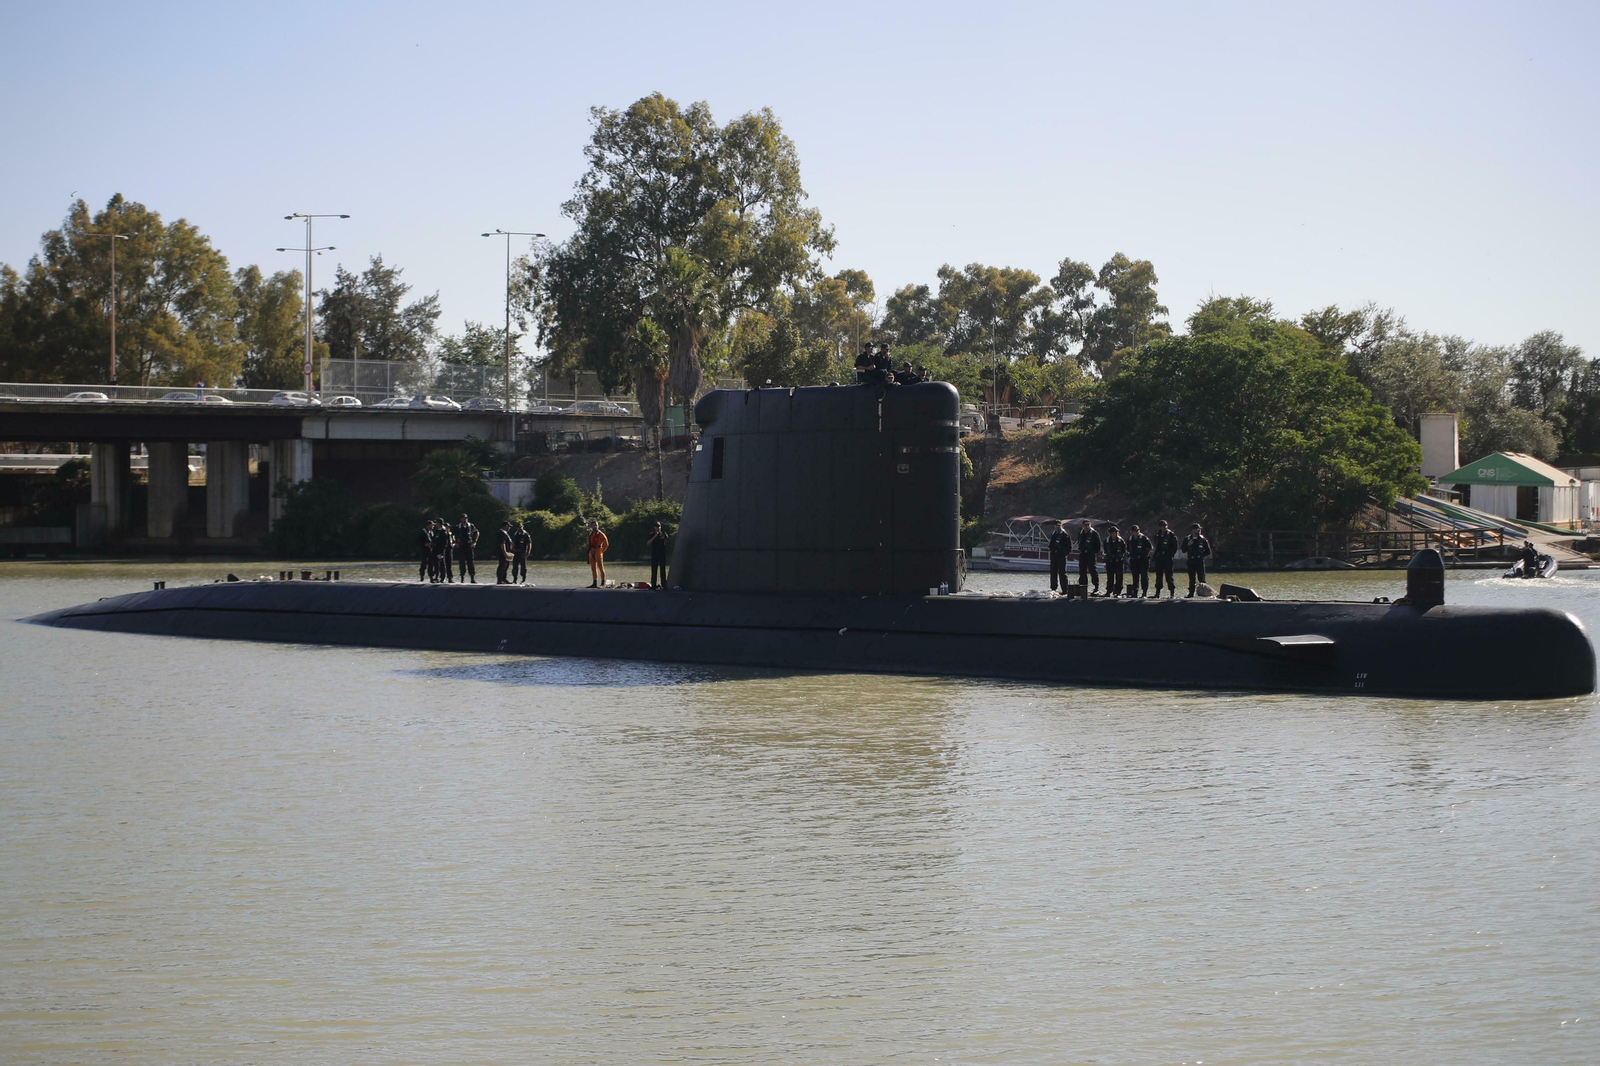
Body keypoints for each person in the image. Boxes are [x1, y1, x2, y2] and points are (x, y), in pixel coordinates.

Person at [1182, 523, 1212, 598]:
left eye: (1200, 529)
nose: (1199, 531)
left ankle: (1203, 594)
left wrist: (1201, 555)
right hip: (1191, 561)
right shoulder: (1187, 539)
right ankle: (1191, 594)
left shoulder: (1202, 539)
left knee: (1201, 579)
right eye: (1197, 529)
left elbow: (1208, 551)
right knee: (1191, 579)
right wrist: (1187, 545)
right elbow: (1183, 550)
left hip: (1199, 561)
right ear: (1193, 530)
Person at [1152, 520, 1179, 598]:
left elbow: (1175, 546)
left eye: (1165, 526)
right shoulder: (1157, 535)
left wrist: (1170, 554)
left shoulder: (1171, 535)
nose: (1164, 527)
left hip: (1167, 557)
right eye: (1163, 526)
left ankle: (1172, 593)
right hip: (1159, 557)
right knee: (1158, 575)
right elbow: (1156, 546)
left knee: (1169, 575)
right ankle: (1157, 593)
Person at [1076, 519, 1102, 595]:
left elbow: (1098, 545)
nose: (1087, 526)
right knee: (1082, 570)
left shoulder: (1094, 533)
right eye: (1085, 525)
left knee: (1092, 570)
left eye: (1088, 525)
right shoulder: (1081, 533)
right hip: (1083, 554)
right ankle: (1083, 586)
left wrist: (1093, 552)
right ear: (1083, 526)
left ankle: (1096, 587)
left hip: (1091, 554)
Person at [1127, 524, 1152, 598]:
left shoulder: (1143, 538)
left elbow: (1150, 547)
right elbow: (1128, 549)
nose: (1136, 532)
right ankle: (1135, 592)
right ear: (1132, 532)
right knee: (1135, 577)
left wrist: (1144, 554)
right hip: (1134, 560)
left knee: (1144, 576)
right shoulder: (1130, 539)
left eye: (1137, 531)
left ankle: (1144, 593)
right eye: (1135, 531)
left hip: (1143, 560)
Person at [1047, 520, 1072, 594]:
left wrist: (1064, 554)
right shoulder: (1054, 533)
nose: (1057, 527)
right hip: (1054, 556)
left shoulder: (1065, 535)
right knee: (1053, 572)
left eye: (1059, 525)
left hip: (1061, 556)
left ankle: (1065, 589)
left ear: (1061, 526)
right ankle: (1053, 588)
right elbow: (1051, 544)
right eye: (1056, 526)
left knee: (1062, 573)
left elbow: (1069, 546)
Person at [1103, 524, 1127, 597]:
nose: (1116, 534)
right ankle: (1109, 590)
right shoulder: (1106, 541)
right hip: (1110, 561)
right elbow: (1105, 550)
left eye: (1117, 532)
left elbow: (1123, 550)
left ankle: (1118, 591)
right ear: (1110, 533)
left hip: (1118, 561)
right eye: (1114, 532)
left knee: (1119, 576)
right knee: (1110, 577)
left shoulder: (1121, 541)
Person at [454, 513, 479, 584]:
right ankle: (462, 577)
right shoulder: (458, 527)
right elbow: (453, 534)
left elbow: (477, 533)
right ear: (461, 519)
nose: (465, 520)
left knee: (471, 562)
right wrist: (455, 542)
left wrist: (475, 542)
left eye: (466, 518)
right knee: (462, 562)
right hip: (461, 546)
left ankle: (472, 577)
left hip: (469, 545)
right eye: (463, 518)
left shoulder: (471, 526)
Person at [647, 520, 670, 589]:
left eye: (659, 526)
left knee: (663, 570)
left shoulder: (664, 533)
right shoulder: (651, 534)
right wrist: (655, 536)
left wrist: (664, 539)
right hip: (655, 554)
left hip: (662, 554)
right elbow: (648, 543)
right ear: (654, 527)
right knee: (654, 570)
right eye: (657, 526)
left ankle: (664, 585)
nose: (658, 528)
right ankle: (653, 585)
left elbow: (668, 541)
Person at [586, 520, 609, 588]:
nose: (595, 526)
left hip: (598, 550)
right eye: (593, 525)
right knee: (593, 568)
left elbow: (606, 544)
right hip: (592, 551)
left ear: (598, 526)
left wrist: (602, 551)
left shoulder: (601, 534)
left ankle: (602, 583)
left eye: (596, 525)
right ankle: (594, 583)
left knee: (601, 567)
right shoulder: (591, 534)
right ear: (591, 526)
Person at [434, 518, 454, 583]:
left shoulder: (444, 531)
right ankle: (437, 576)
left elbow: (445, 542)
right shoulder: (437, 531)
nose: (435, 524)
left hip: (443, 551)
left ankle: (444, 577)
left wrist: (442, 551)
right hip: (437, 550)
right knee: (438, 563)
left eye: (436, 523)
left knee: (443, 563)